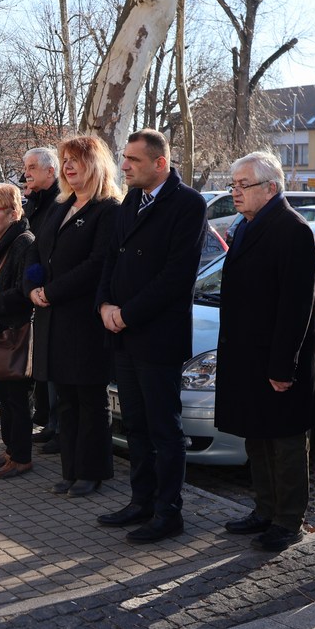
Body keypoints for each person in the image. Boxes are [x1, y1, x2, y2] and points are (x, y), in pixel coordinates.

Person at [96, 128, 207, 543]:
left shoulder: (188, 204)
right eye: (124, 158)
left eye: (133, 160)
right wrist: (105, 304)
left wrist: (126, 313)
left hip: (156, 335)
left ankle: (168, 512)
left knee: (164, 428)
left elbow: (176, 276)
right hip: (122, 334)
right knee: (136, 426)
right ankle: (140, 501)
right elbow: (112, 258)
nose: (123, 166)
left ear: (160, 163)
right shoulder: (132, 199)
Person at [215, 151, 315, 554]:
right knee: (256, 435)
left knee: (286, 441)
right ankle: (264, 509)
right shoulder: (246, 226)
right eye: (233, 185)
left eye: (243, 185)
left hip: (280, 358)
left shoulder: (292, 229)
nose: (235, 193)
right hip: (248, 355)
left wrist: (283, 365)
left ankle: (288, 520)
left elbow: (296, 307)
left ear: (271, 188)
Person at [27, 136, 122, 497]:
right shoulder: (60, 204)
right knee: (64, 398)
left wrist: (52, 291)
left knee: (88, 399)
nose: (68, 166)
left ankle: (92, 472)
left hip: (84, 320)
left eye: (76, 160)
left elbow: (97, 264)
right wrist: (32, 286)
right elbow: (36, 248)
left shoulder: (108, 209)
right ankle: (71, 469)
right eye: (65, 160)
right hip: (53, 318)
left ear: (95, 164)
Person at [0, 184, 36, 479]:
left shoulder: (24, 242)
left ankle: (22, 456)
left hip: (15, 328)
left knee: (16, 397)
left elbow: (24, 290)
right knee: (2, 394)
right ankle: (10, 448)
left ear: (13, 213)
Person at [21, 147, 62, 448]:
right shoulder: (33, 201)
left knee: (56, 367)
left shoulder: (60, 201)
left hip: (56, 294)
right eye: (26, 167)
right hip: (38, 291)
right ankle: (49, 420)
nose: (27, 173)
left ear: (51, 171)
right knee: (43, 365)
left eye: (32, 167)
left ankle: (58, 426)